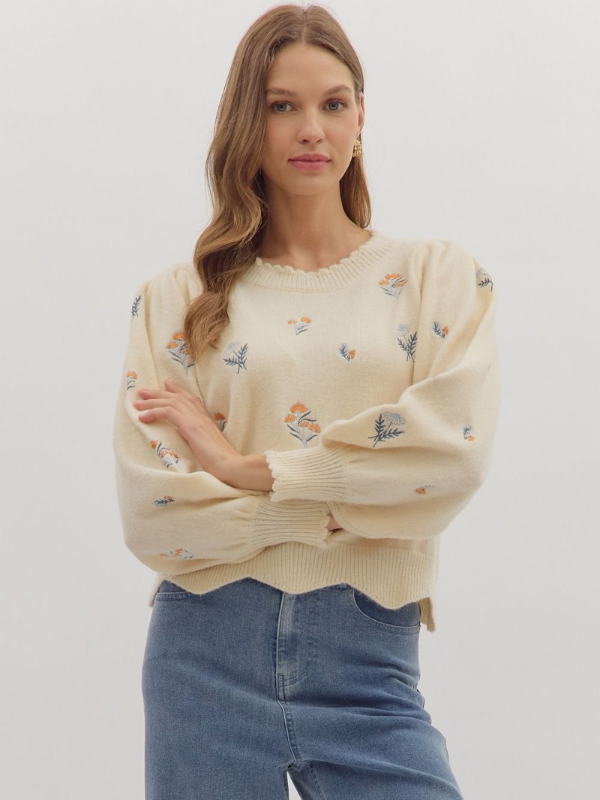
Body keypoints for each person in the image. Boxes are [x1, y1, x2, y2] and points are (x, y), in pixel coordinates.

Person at [112, 4, 502, 799]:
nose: (311, 129)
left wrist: (239, 465)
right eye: (281, 105)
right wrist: (329, 499)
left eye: (333, 102)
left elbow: (447, 459)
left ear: (362, 114)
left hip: (368, 658)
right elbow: (153, 509)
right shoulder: (177, 300)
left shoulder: (436, 278)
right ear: (246, 122)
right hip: (205, 654)